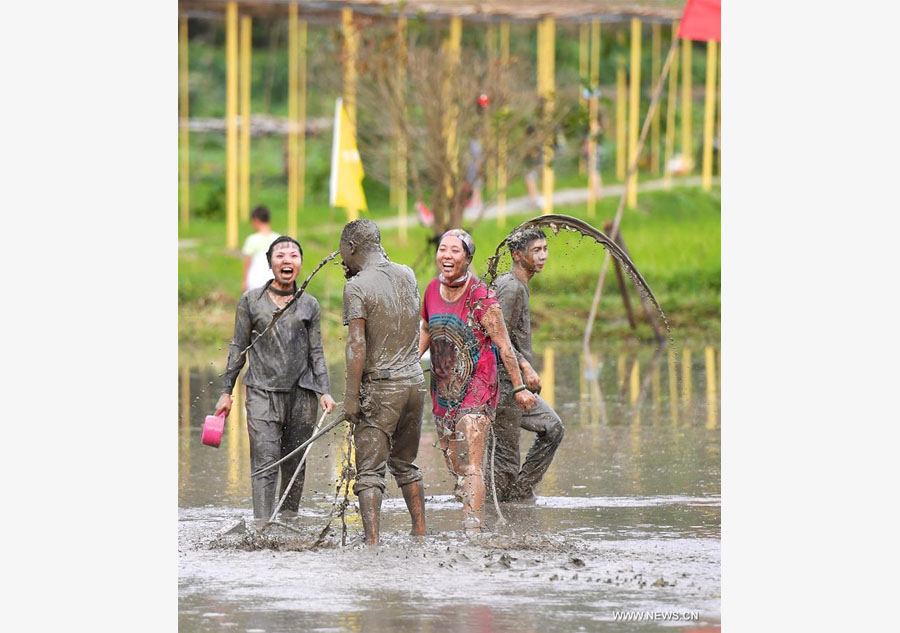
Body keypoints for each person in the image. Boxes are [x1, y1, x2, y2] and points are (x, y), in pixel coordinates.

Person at [419, 228, 536, 534]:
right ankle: (470, 500)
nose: (447, 256)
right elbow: (425, 330)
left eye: (455, 251)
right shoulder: (431, 290)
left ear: (467, 258)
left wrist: (520, 387)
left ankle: (473, 527)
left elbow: (504, 345)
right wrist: (403, 364)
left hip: (478, 389)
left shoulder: (482, 296)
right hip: (443, 390)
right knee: (455, 464)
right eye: (443, 249)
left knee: (472, 463)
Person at [216, 236, 337, 522]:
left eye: (293, 255)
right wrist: (226, 391)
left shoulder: (310, 304)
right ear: (270, 263)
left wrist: (324, 391)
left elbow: (316, 351)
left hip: (302, 396)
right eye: (280, 255)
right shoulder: (251, 301)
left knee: (295, 465)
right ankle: (261, 526)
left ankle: (288, 523)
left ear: (300, 264)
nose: (287, 260)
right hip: (261, 393)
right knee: (264, 462)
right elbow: (237, 347)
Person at [340, 219, 428, 546]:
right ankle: (420, 533)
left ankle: (372, 544)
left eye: (342, 250)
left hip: (381, 388)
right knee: (406, 463)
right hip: (414, 384)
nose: (341, 259)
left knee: (368, 473)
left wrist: (351, 398)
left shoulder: (356, 286)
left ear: (351, 247)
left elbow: (356, 345)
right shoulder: (408, 274)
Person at [486, 228, 565, 502]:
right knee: (505, 462)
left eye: (545, 249)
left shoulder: (519, 285)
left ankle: (520, 494)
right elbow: (496, 338)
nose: (543, 256)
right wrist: (525, 368)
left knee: (552, 427)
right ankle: (493, 509)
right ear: (517, 255)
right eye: (536, 250)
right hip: (504, 385)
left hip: (516, 385)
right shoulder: (510, 288)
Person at [242, 206, 280, 292]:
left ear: (255, 220)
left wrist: (244, 281)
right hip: (274, 280)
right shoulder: (278, 239)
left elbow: (248, 261)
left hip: (255, 280)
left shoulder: (252, 239)